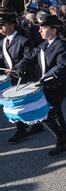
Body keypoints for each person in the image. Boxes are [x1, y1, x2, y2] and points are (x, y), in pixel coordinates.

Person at [16, 15, 66, 156]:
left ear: (54, 30)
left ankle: (63, 140)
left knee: (49, 113)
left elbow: (62, 66)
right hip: (47, 86)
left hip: (57, 86)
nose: (40, 31)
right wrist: (20, 66)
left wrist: (45, 78)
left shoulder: (60, 45)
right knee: (53, 114)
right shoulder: (44, 45)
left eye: (43, 28)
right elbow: (30, 56)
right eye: (40, 28)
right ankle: (64, 140)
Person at [0, 12, 44, 143]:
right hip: (12, 77)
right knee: (16, 105)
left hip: (25, 76)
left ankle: (31, 126)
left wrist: (15, 69)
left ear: (12, 25)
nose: (0, 28)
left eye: (3, 25)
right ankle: (25, 128)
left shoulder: (23, 40)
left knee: (26, 103)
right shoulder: (3, 41)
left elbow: (28, 58)